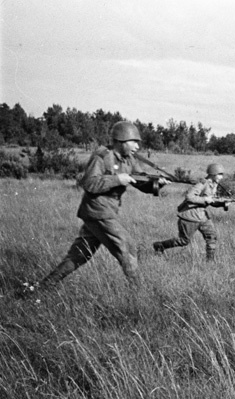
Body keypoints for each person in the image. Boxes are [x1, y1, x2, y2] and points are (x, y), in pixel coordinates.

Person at [38, 121, 169, 288]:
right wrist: (117, 179)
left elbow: (140, 181)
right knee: (128, 247)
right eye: (134, 141)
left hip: (103, 213)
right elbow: (89, 183)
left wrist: (158, 184)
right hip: (98, 212)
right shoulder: (102, 156)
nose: (137, 145)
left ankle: (41, 287)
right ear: (122, 140)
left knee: (79, 255)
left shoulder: (129, 160)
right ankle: (140, 292)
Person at [152, 163, 228, 262]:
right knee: (184, 241)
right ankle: (159, 246)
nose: (221, 177)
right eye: (220, 174)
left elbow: (211, 201)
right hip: (190, 216)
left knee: (212, 236)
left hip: (202, 216)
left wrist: (222, 204)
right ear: (213, 173)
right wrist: (205, 199)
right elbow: (189, 197)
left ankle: (210, 261)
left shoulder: (214, 185)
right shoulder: (202, 183)